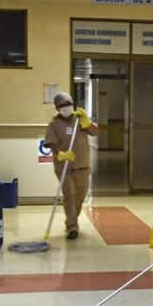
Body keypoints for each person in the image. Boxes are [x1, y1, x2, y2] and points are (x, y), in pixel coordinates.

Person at [43, 92, 99, 240]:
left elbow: (95, 132)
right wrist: (60, 153)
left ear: (72, 104)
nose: (66, 107)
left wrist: (88, 123)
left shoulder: (79, 119)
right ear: (57, 108)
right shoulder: (54, 124)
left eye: (68, 104)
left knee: (80, 196)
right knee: (69, 196)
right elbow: (51, 142)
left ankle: (71, 221)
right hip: (64, 166)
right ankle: (72, 227)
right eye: (62, 106)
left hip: (83, 165)